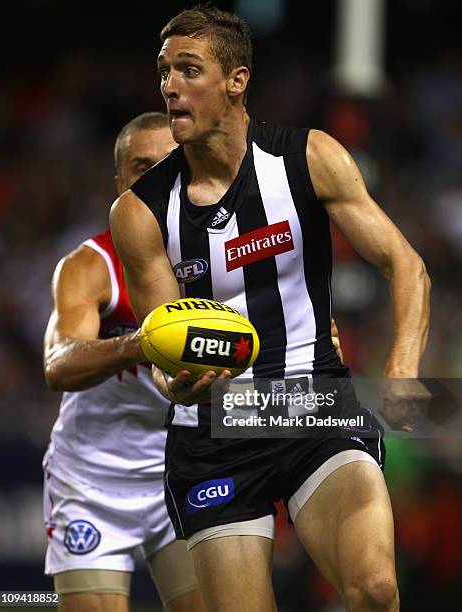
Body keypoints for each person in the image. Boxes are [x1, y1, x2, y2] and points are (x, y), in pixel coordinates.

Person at [110, 6, 431, 612]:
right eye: (163, 73)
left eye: (188, 70)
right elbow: (160, 343)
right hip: (214, 429)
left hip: (312, 405)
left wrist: (403, 368)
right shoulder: (141, 212)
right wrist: (173, 381)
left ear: (236, 80)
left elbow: (406, 265)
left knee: (377, 590)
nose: (169, 86)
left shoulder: (309, 158)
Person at [43, 112, 206, 612]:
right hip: (92, 482)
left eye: (171, 164)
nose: (157, 179)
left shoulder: (219, 257)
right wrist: (141, 342)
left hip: (181, 470)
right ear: (121, 184)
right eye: (142, 167)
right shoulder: (89, 265)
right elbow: (58, 363)